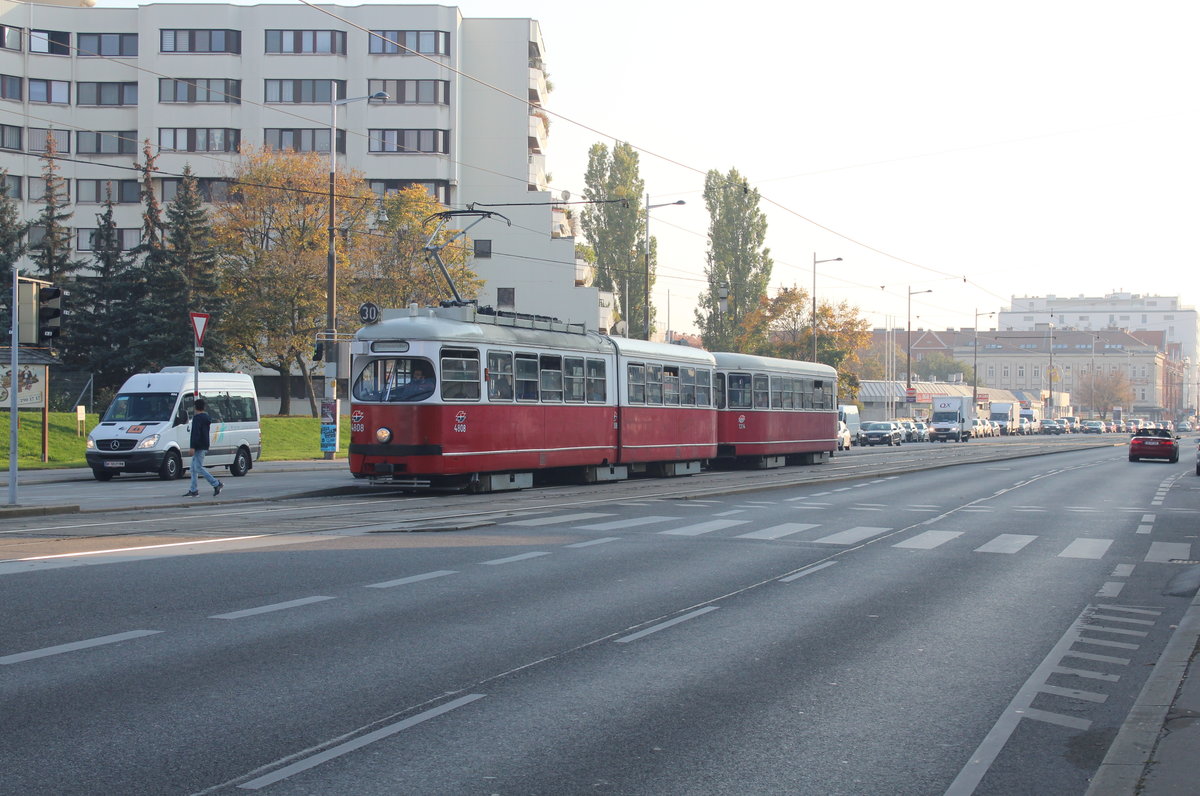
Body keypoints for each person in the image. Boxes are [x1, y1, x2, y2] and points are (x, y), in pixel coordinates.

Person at [183, 398, 223, 497]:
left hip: (198, 446)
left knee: (198, 467)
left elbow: (195, 433)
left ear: (195, 407)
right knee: (193, 468)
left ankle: (216, 484)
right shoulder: (206, 417)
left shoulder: (197, 418)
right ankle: (193, 490)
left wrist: (192, 446)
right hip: (204, 444)